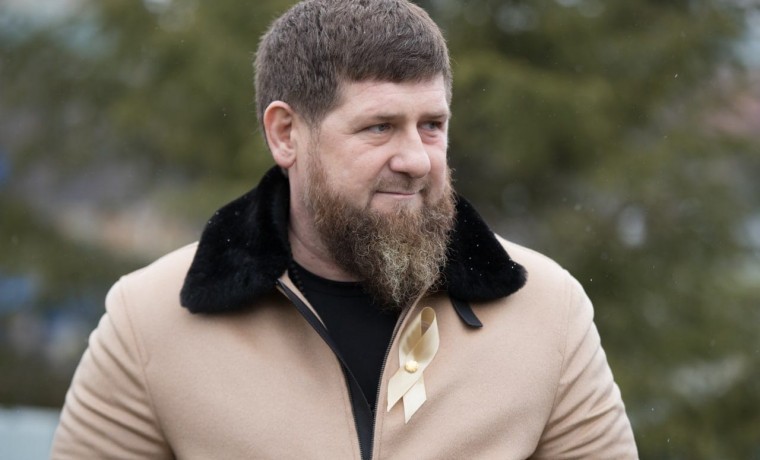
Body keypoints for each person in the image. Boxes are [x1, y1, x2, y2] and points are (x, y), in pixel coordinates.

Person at [51, 0, 638, 458]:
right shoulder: (150, 321)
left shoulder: (547, 311)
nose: (416, 159)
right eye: (379, 127)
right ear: (286, 134)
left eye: (432, 125)